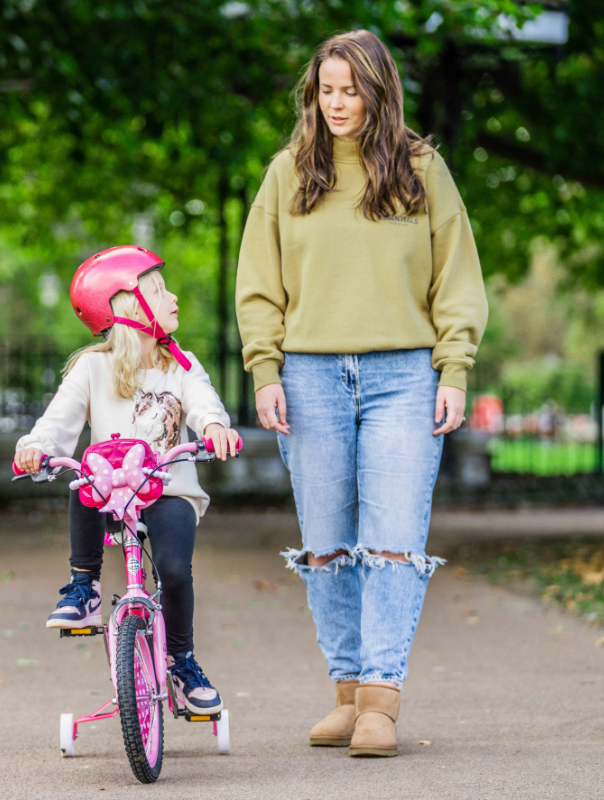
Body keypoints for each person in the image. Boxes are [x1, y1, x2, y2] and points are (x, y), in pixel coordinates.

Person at [235, 30, 488, 756]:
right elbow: (259, 287)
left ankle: (380, 698)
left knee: (394, 543)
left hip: (404, 376)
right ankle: (346, 691)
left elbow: (457, 280)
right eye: (327, 89)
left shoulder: (422, 170)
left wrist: (455, 369)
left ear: (380, 92)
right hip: (309, 377)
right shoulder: (288, 174)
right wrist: (265, 371)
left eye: (353, 90)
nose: (338, 103)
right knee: (326, 547)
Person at [14, 245, 241, 715]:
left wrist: (215, 427)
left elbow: (202, 402)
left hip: (168, 490)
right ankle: (85, 586)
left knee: (175, 570)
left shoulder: (178, 364)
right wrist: (37, 447)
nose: (173, 297)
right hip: (111, 494)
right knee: (82, 479)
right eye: (159, 290)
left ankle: (181, 660)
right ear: (130, 307)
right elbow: (58, 423)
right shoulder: (91, 368)